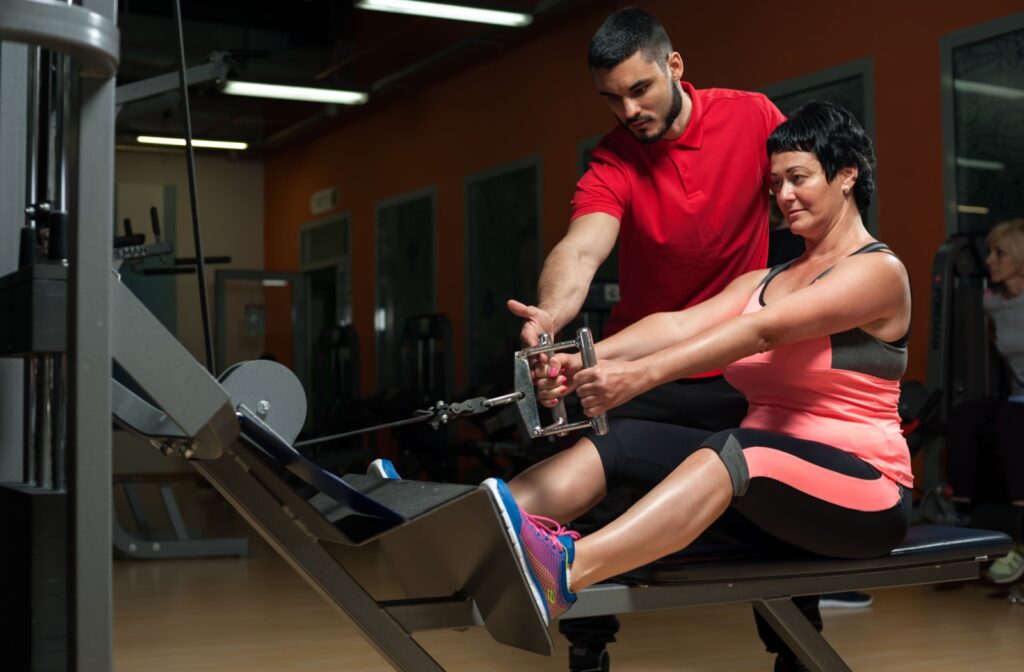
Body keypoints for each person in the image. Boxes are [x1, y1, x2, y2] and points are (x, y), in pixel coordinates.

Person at [489, 101, 913, 669]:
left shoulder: (877, 272)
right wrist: (574, 361)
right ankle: (485, 537)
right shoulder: (766, 280)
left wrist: (638, 376)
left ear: (847, 175)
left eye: (798, 178)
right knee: (621, 439)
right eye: (776, 184)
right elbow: (676, 326)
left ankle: (563, 573)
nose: (784, 196)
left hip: (863, 493)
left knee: (734, 448)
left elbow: (759, 331)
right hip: (767, 492)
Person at [506, 9, 789, 669]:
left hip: (737, 363)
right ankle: (588, 649)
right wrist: (549, 316)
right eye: (612, 98)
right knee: (591, 498)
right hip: (637, 366)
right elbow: (582, 249)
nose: (628, 110)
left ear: (674, 66)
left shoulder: (752, 117)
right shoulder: (615, 158)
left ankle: (796, 653)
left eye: (640, 90)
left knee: (775, 504)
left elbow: (806, 197)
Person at [946, 217, 1024, 585]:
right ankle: (963, 515)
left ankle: (1020, 532)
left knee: (1010, 419)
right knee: (964, 416)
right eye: (990, 252)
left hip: (1017, 408)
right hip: (1018, 397)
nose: (989, 260)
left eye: (999, 253)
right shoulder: (993, 304)